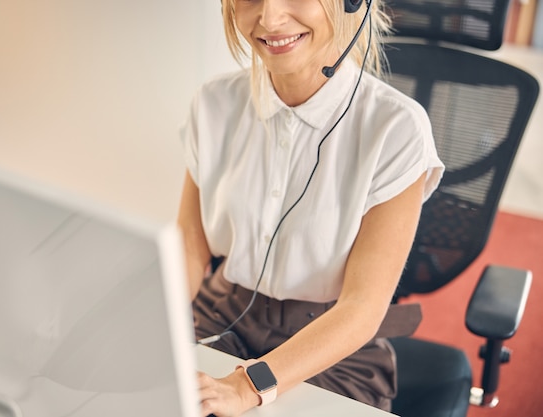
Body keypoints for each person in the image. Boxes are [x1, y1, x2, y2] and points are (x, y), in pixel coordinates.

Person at [177, 0, 444, 416]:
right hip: (219, 313)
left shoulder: (396, 130)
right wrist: (144, 321)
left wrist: (249, 386)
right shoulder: (213, 104)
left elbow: (361, 309)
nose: (270, 18)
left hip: (332, 341)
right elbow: (190, 250)